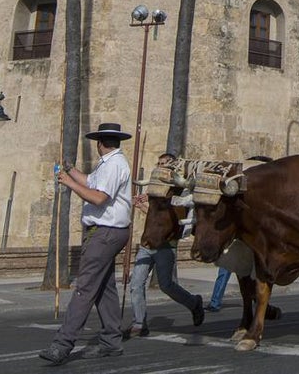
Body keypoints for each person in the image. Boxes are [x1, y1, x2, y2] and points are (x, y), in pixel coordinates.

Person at [39, 122, 134, 366]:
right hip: (105, 231)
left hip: (106, 232)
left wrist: (68, 183)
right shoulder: (108, 164)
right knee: (105, 288)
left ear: (99, 143)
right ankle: (112, 341)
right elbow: (91, 182)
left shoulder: (114, 165)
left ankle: (63, 344)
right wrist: (70, 170)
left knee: (86, 287)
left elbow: (99, 197)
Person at [123, 153, 204, 337]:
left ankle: (193, 303)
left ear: (173, 168)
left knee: (167, 286)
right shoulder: (154, 190)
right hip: (147, 243)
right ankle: (139, 323)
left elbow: (170, 220)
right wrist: (142, 205)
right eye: (158, 163)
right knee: (136, 283)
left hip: (165, 245)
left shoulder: (179, 193)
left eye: (164, 164)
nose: (160, 167)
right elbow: (154, 216)